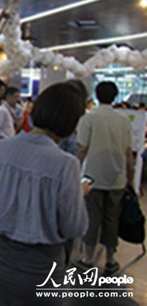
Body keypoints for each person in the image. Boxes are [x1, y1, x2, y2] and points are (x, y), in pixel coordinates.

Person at [0, 82, 90, 305]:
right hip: (41, 269)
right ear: (71, 122)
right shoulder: (65, 164)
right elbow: (73, 227)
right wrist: (80, 195)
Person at [76, 81, 134, 275]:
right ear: (115, 96)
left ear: (97, 95)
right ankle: (110, 259)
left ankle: (87, 258)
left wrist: (74, 171)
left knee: (92, 217)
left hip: (92, 177)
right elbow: (128, 153)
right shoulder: (124, 121)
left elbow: (82, 149)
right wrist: (130, 177)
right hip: (117, 177)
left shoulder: (88, 119)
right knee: (112, 218)